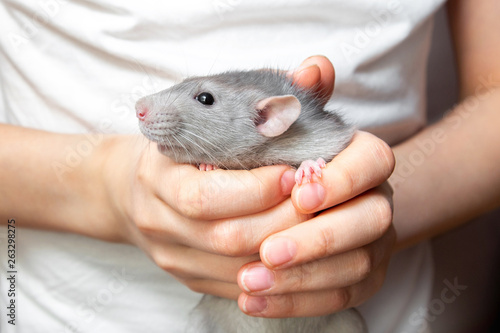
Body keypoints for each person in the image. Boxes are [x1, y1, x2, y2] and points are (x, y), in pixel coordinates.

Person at [0, 0, 499, 332]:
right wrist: (109, 190)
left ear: (270, 119)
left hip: (376, 310)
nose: (144, 109)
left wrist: (369, 211)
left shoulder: (290, 128)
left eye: (202, 99)